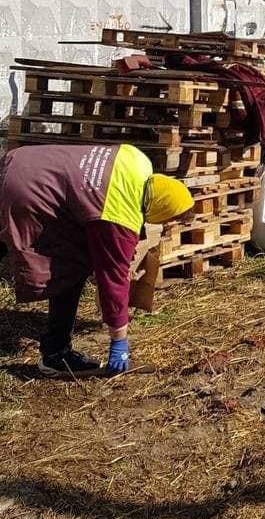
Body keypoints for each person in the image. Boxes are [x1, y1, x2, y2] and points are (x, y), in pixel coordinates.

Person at [0, 142, 194, 377]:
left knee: (71, 258)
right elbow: (112, 280)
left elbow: (93, 202)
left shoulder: (138, 162)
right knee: (69, 269)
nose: (166, 224)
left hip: (23, 162)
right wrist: (119, 341)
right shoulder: (118, 216)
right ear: (161, 208)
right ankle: (56, 354)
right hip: (27, 191)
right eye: (168, 219)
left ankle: (56, 351)